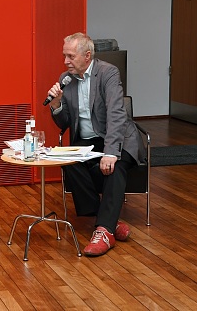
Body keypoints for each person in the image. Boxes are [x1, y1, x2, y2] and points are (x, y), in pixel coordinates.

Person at [46, 33, 146, 257]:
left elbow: (116, 114)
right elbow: (63, 124)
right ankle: (107, 219)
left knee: (115, 166)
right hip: (86, 141)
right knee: (67, 161)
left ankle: (104, 231)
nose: (66, 61)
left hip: (117, 137)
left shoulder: (107, 73)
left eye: (71, 56)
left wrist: (111, 152)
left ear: (87, 56)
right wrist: (56, 104)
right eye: (65, 56)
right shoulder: (67, 78)